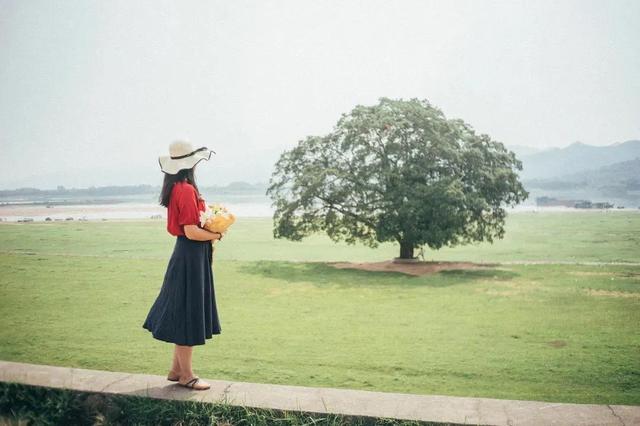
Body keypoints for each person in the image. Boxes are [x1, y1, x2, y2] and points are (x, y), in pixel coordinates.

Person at [142, 140, 222, 391]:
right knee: (188, 314)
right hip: (190, 255)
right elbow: (190, 231)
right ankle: (187, 375)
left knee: (183, 308)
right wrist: (216, 234)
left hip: (186, 255)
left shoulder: (177, 188)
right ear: (190, 165)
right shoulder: (185, 190)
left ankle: (176, 370)